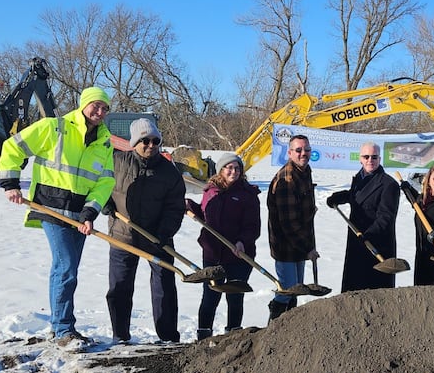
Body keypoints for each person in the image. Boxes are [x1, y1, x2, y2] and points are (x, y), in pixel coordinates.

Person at [0, 87, 115, 349]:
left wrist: (90, 212)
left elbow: (105, 181)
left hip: (79, 214)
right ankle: (64, 329)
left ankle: (59, 325)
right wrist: (10, 183)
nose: (99, 112)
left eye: (104, 108)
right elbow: (13, 147)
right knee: (66, 268)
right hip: (50, 208)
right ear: (84, 104)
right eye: (95, 106)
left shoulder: (105, 141)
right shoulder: (55, 127)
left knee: (64, 269)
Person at [105, 118, 186, 344]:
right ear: (134, 142)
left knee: (164, 288)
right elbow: (100, 185)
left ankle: (168, 337)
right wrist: (103, 201)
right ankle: (119, 336)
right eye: (145, 141)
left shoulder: (169, 172)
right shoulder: (116, 162)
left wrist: (164, 233)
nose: (151, 145)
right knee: (119, 287)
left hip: (157, 238)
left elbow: (175, 207)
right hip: (123, 236)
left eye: (155, 141)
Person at [186, 153, 260, 341]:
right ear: (221, 170)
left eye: (237, 168)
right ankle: (204, 336)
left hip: (239, 255)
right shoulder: (211, 190)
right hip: (213, 253)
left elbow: (253, 225)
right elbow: (205, 216)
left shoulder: (248, 194)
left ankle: (233, 335)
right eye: (229, 168)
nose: (233, 171)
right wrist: (190, 207)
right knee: (210, 296)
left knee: (235, 296)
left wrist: (243, 241)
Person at [326, 142, 401, 291]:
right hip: (357, 239)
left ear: (380, 159)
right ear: (360, 159)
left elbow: (386, 217)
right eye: (366, 157)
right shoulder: (359, 178)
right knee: (353, 286)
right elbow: (358, 197)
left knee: (373, 290)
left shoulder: (388, 184)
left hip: (376, 245)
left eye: (374, 157)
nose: (370, 160)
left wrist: (368, 235)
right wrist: (339, 197)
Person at [266, 134, 319, 321]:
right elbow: (289, 224)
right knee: (286, 292)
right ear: (289, 153)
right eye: (298, 150)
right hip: (286, 246)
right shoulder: (286, 179)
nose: (303, 153)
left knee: (295, 290)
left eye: (306, 150)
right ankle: (273, 328)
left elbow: (305, 216)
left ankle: (288, 333)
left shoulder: (305, 171)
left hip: (300, 244)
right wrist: (308, 249)